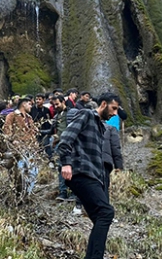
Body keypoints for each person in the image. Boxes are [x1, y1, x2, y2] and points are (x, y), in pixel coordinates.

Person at [57, 93, 119, 259]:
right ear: (104, 104)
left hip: (92, 176)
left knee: (100, 217)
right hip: (80, 173)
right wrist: (66, 163)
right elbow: (65, 139)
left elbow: (97, 159)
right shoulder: (86, 114)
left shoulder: (101, 127)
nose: (115, 113)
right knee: (106, 213)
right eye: (113, 108)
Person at [3, 96, 39, 195]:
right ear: (23, 104)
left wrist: (35, 144)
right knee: (20, 172)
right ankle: (19, 194)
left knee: (33, 172)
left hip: (30, 148)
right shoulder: (12, 115)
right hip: (19, 149)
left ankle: (28, 194)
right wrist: (13, 140)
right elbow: (7, 130)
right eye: (29, 104)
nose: (31, 106)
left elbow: (32, 133)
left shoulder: (29, 117)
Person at [102, 125, 124, 201]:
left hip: (89, 162)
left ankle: (79, 207)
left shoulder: (85, 126)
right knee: (104, 188)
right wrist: (118, 166)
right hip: (105, 162)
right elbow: (115, 147)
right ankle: (104, 209)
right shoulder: (110, 128)